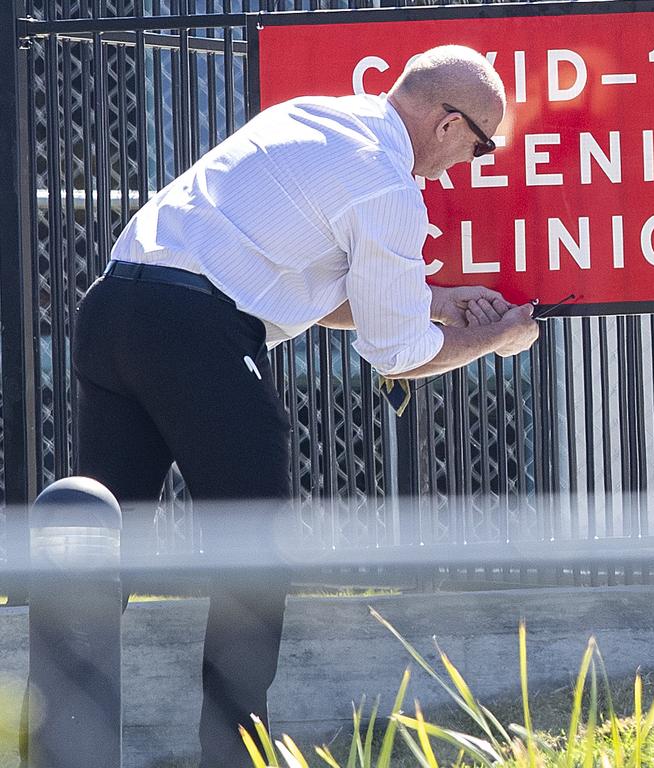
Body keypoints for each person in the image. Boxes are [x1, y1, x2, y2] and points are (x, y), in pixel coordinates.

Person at [45, 45, 537, 768]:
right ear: (444, 121)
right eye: (481, 142)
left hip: (113, 309)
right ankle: (233, 754)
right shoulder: (389, 188)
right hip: (197, 333)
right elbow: (397, 353)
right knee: (254, 550)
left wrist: (432, 300)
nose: (474, 159)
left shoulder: (313, 117)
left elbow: (299, 286)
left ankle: (64, 742)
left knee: (102, 542)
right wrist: (496, 339)